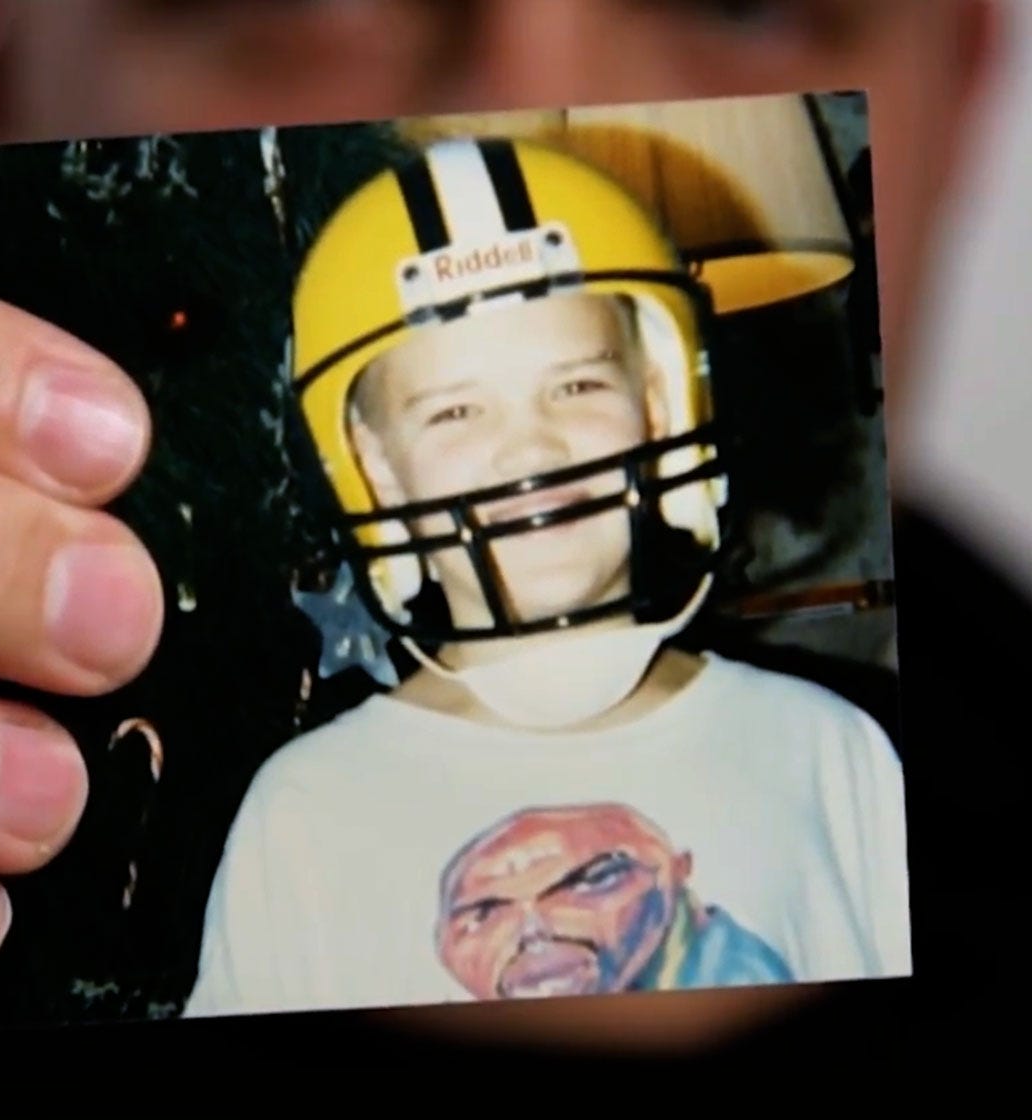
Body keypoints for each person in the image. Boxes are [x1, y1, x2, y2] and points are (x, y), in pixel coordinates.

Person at [0, 0, 1011, 1062]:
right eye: (305, 3)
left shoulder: (835, 759)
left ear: (972, 70)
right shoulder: (282, 826)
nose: (523, 115)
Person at [181, 135, 910, 1018]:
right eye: (454, 410)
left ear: (660, 399)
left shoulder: (829, 751)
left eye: (575, 388)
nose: (530, 448)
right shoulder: (303, 814)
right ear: (373, 466)